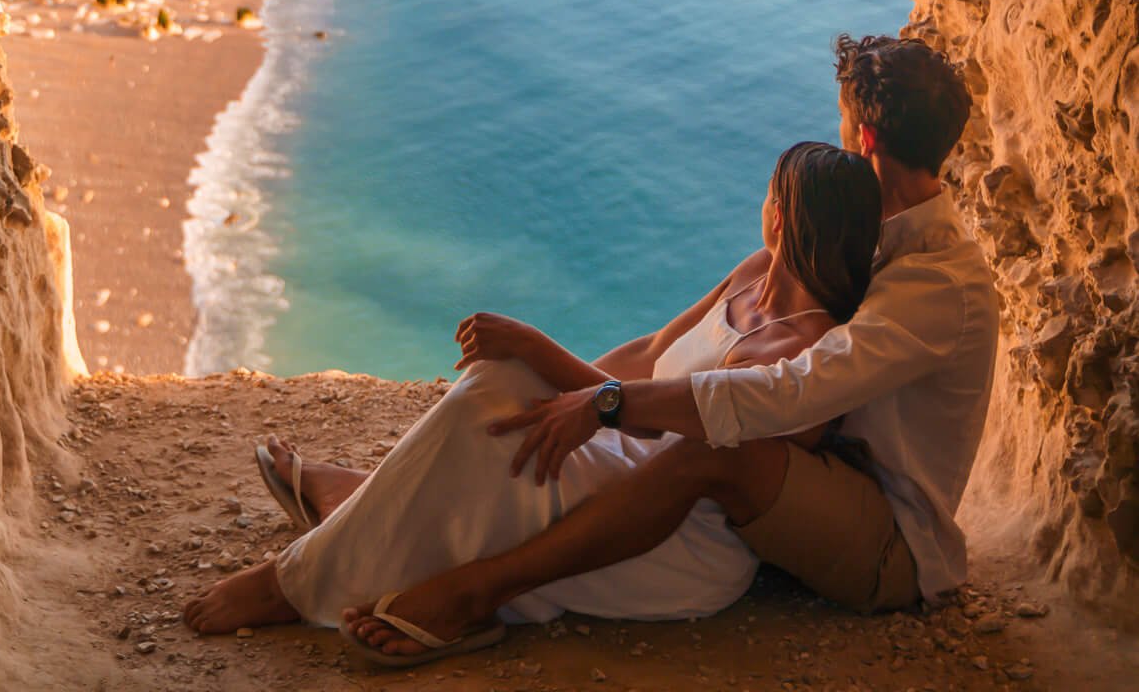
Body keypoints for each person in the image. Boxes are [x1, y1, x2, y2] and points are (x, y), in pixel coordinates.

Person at [334, 32, 999, 665]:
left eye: (843, 125)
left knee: (720, 444)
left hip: (887, 536)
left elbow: (792, 391)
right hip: (805, 478)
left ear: (869, 139)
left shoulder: (935, 283)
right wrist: (571, 384)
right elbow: (660, 352)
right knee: (552, 401)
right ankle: (404, 500)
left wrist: (606, 404)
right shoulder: (861, 235)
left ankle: (479, 590)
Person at [182, 139, 882, 655]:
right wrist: (550, 380)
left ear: (783, 215)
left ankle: (292, 580)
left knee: (496, 414)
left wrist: (543, 353)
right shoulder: (753, 274)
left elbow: (677, 450)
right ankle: (366, 502)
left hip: (674, 539)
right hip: (620, 455)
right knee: (502, 390)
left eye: (767, 194)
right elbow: (646, 357)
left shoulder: (803, 356)